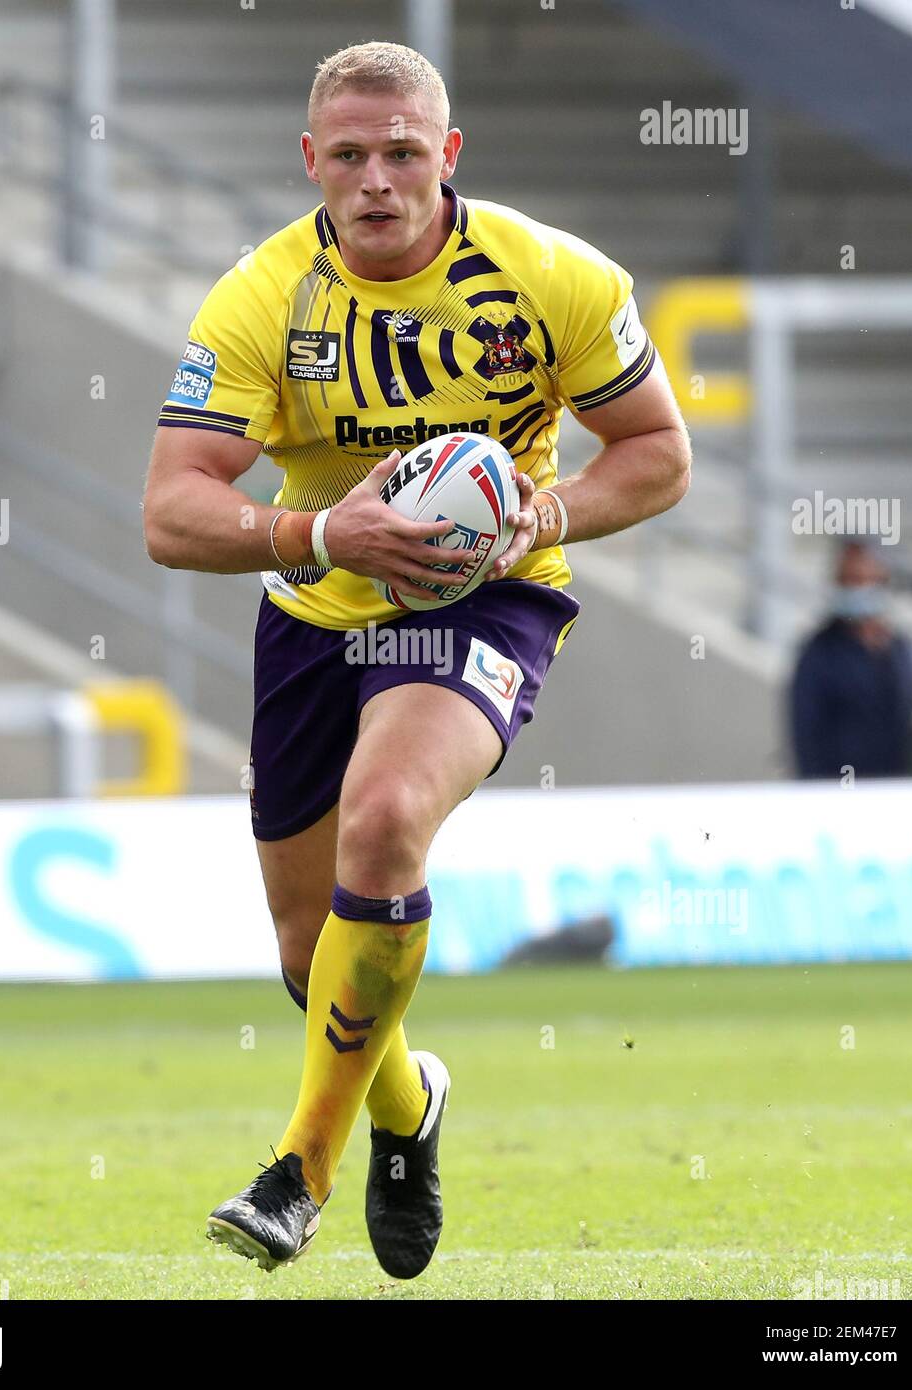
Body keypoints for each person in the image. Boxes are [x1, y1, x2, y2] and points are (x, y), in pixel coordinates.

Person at [142, 41, 690, 1278]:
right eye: (349, 156)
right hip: (316, 608)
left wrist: (542, 515)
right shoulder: (260, 297)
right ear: (310, 163)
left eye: (402, 152)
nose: (377, 179)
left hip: (487, 599)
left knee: (382, 823)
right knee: (304, 952)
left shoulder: (550, 273)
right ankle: (407, 1111)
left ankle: (297, 1172)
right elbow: (172, 511)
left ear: (447, 155)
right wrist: (322, 528)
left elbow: (655, 451)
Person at [790, 540, 912, 779]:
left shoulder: (897, 647)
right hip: (840, 796)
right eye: (848, 581)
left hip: (895, 793)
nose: (857, 590)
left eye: (864, 580)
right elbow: (805, 736)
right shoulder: (818, 652)